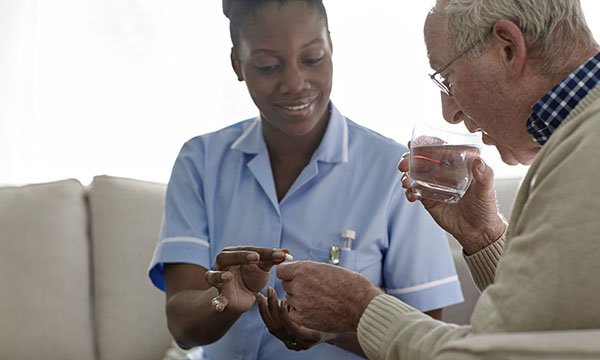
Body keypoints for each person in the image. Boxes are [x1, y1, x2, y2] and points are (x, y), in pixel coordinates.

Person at [268, 0, 600, 359]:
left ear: (508, 47)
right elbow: (546, 331)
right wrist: (483, 235)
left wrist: (363, 310)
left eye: (447, 78)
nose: (450, 112)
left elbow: (495, 354)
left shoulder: (587, 156)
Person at [147, 0, 464, 359]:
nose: (295, 83)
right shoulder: (200, 161)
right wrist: (226, 299)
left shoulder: (396, 171)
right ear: (238, 63)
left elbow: (424, 339)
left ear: (331, 46)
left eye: (312, 59)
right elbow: (182, 327)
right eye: (268, 66)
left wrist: (334, 329)